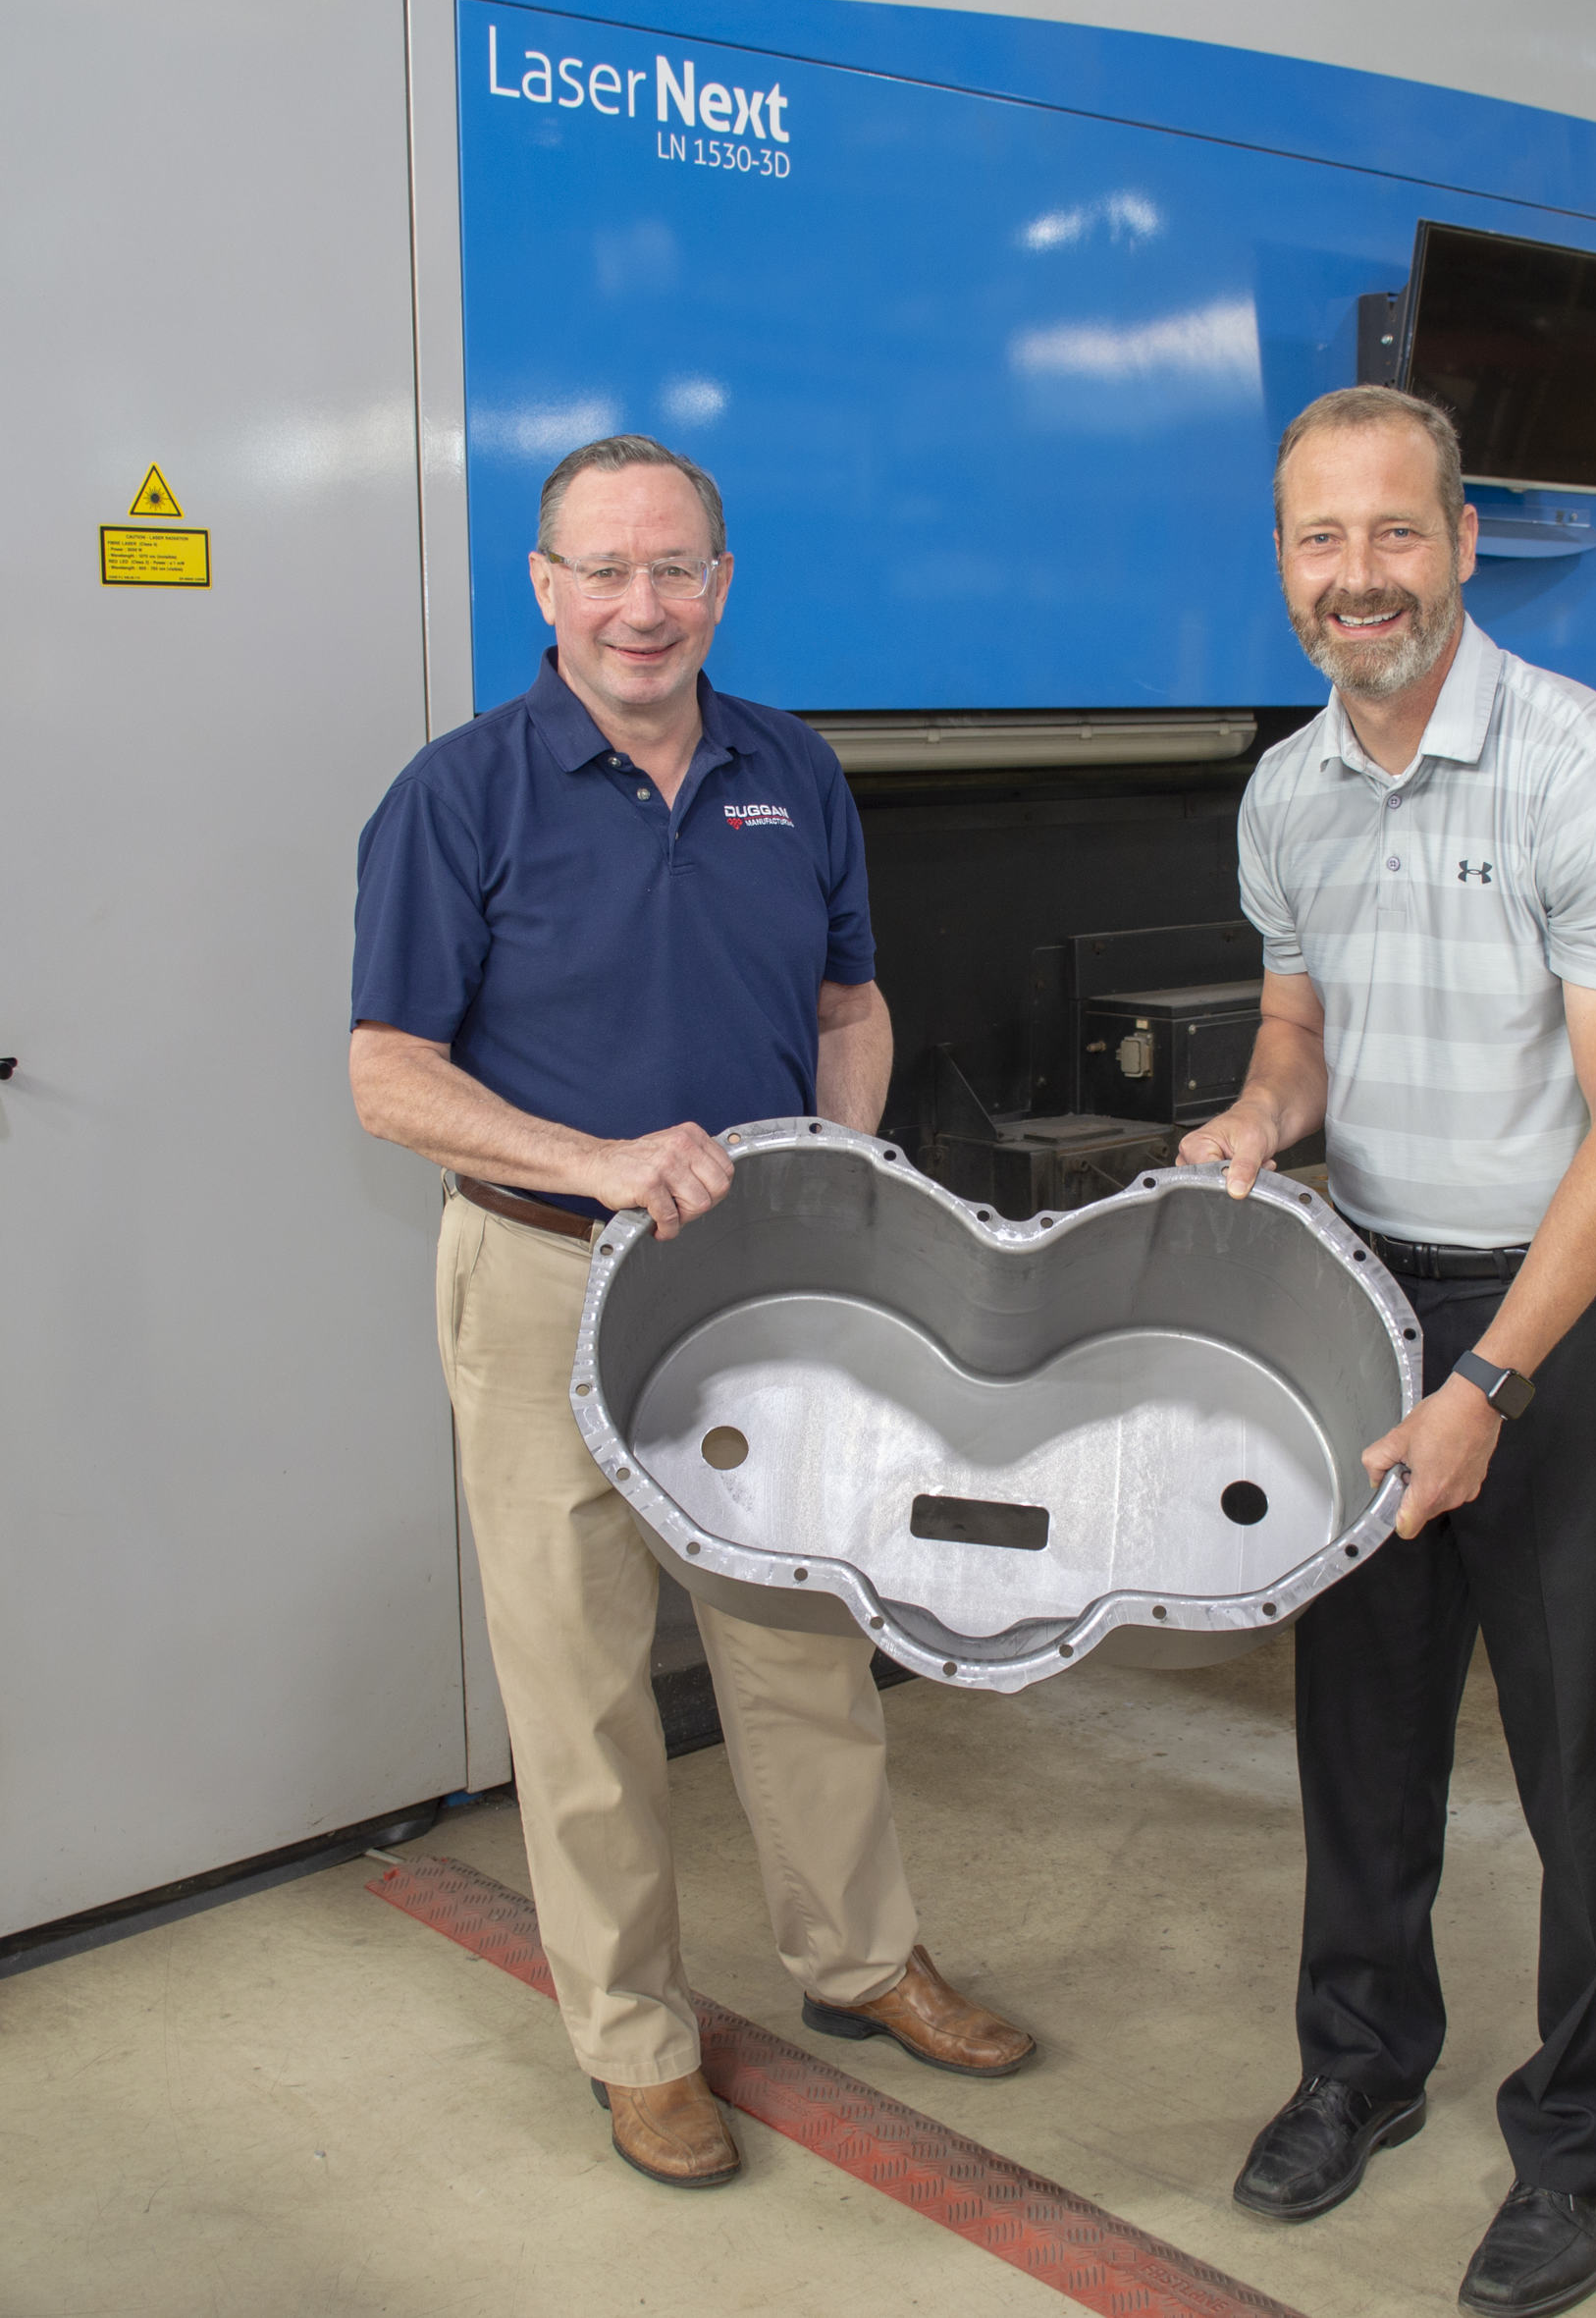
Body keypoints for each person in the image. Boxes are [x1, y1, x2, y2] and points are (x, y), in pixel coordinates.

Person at [348, 433, 1033, 2190]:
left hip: (759, 1287)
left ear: (720, 586)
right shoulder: (458, 794)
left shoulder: (790, 771)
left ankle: (861, 1962)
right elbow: (388, 1076)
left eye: (673, 570)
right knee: (579, 1686)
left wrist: (840, 1173)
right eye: (604, 570)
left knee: (805, 1644)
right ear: (545, 587)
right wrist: (594, 1160)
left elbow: (850, 1008)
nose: (639, 606)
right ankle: (637, 2044)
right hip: (541, 1281)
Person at [1180, 386, 1596, 2316]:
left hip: (1559, 1304)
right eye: (1320, 540)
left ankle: (1581, 2141)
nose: (1359, 576)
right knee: (1364, 1729)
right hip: (1365, 1293)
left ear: (1464, 544)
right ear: (1282, 565)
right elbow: (1299, 1031)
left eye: (1394, 532)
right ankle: (1361, 2065)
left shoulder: (1586, 773)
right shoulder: (1287, 789)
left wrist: (1489, 1387)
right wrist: (1258, 1121)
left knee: (1587, 1757)